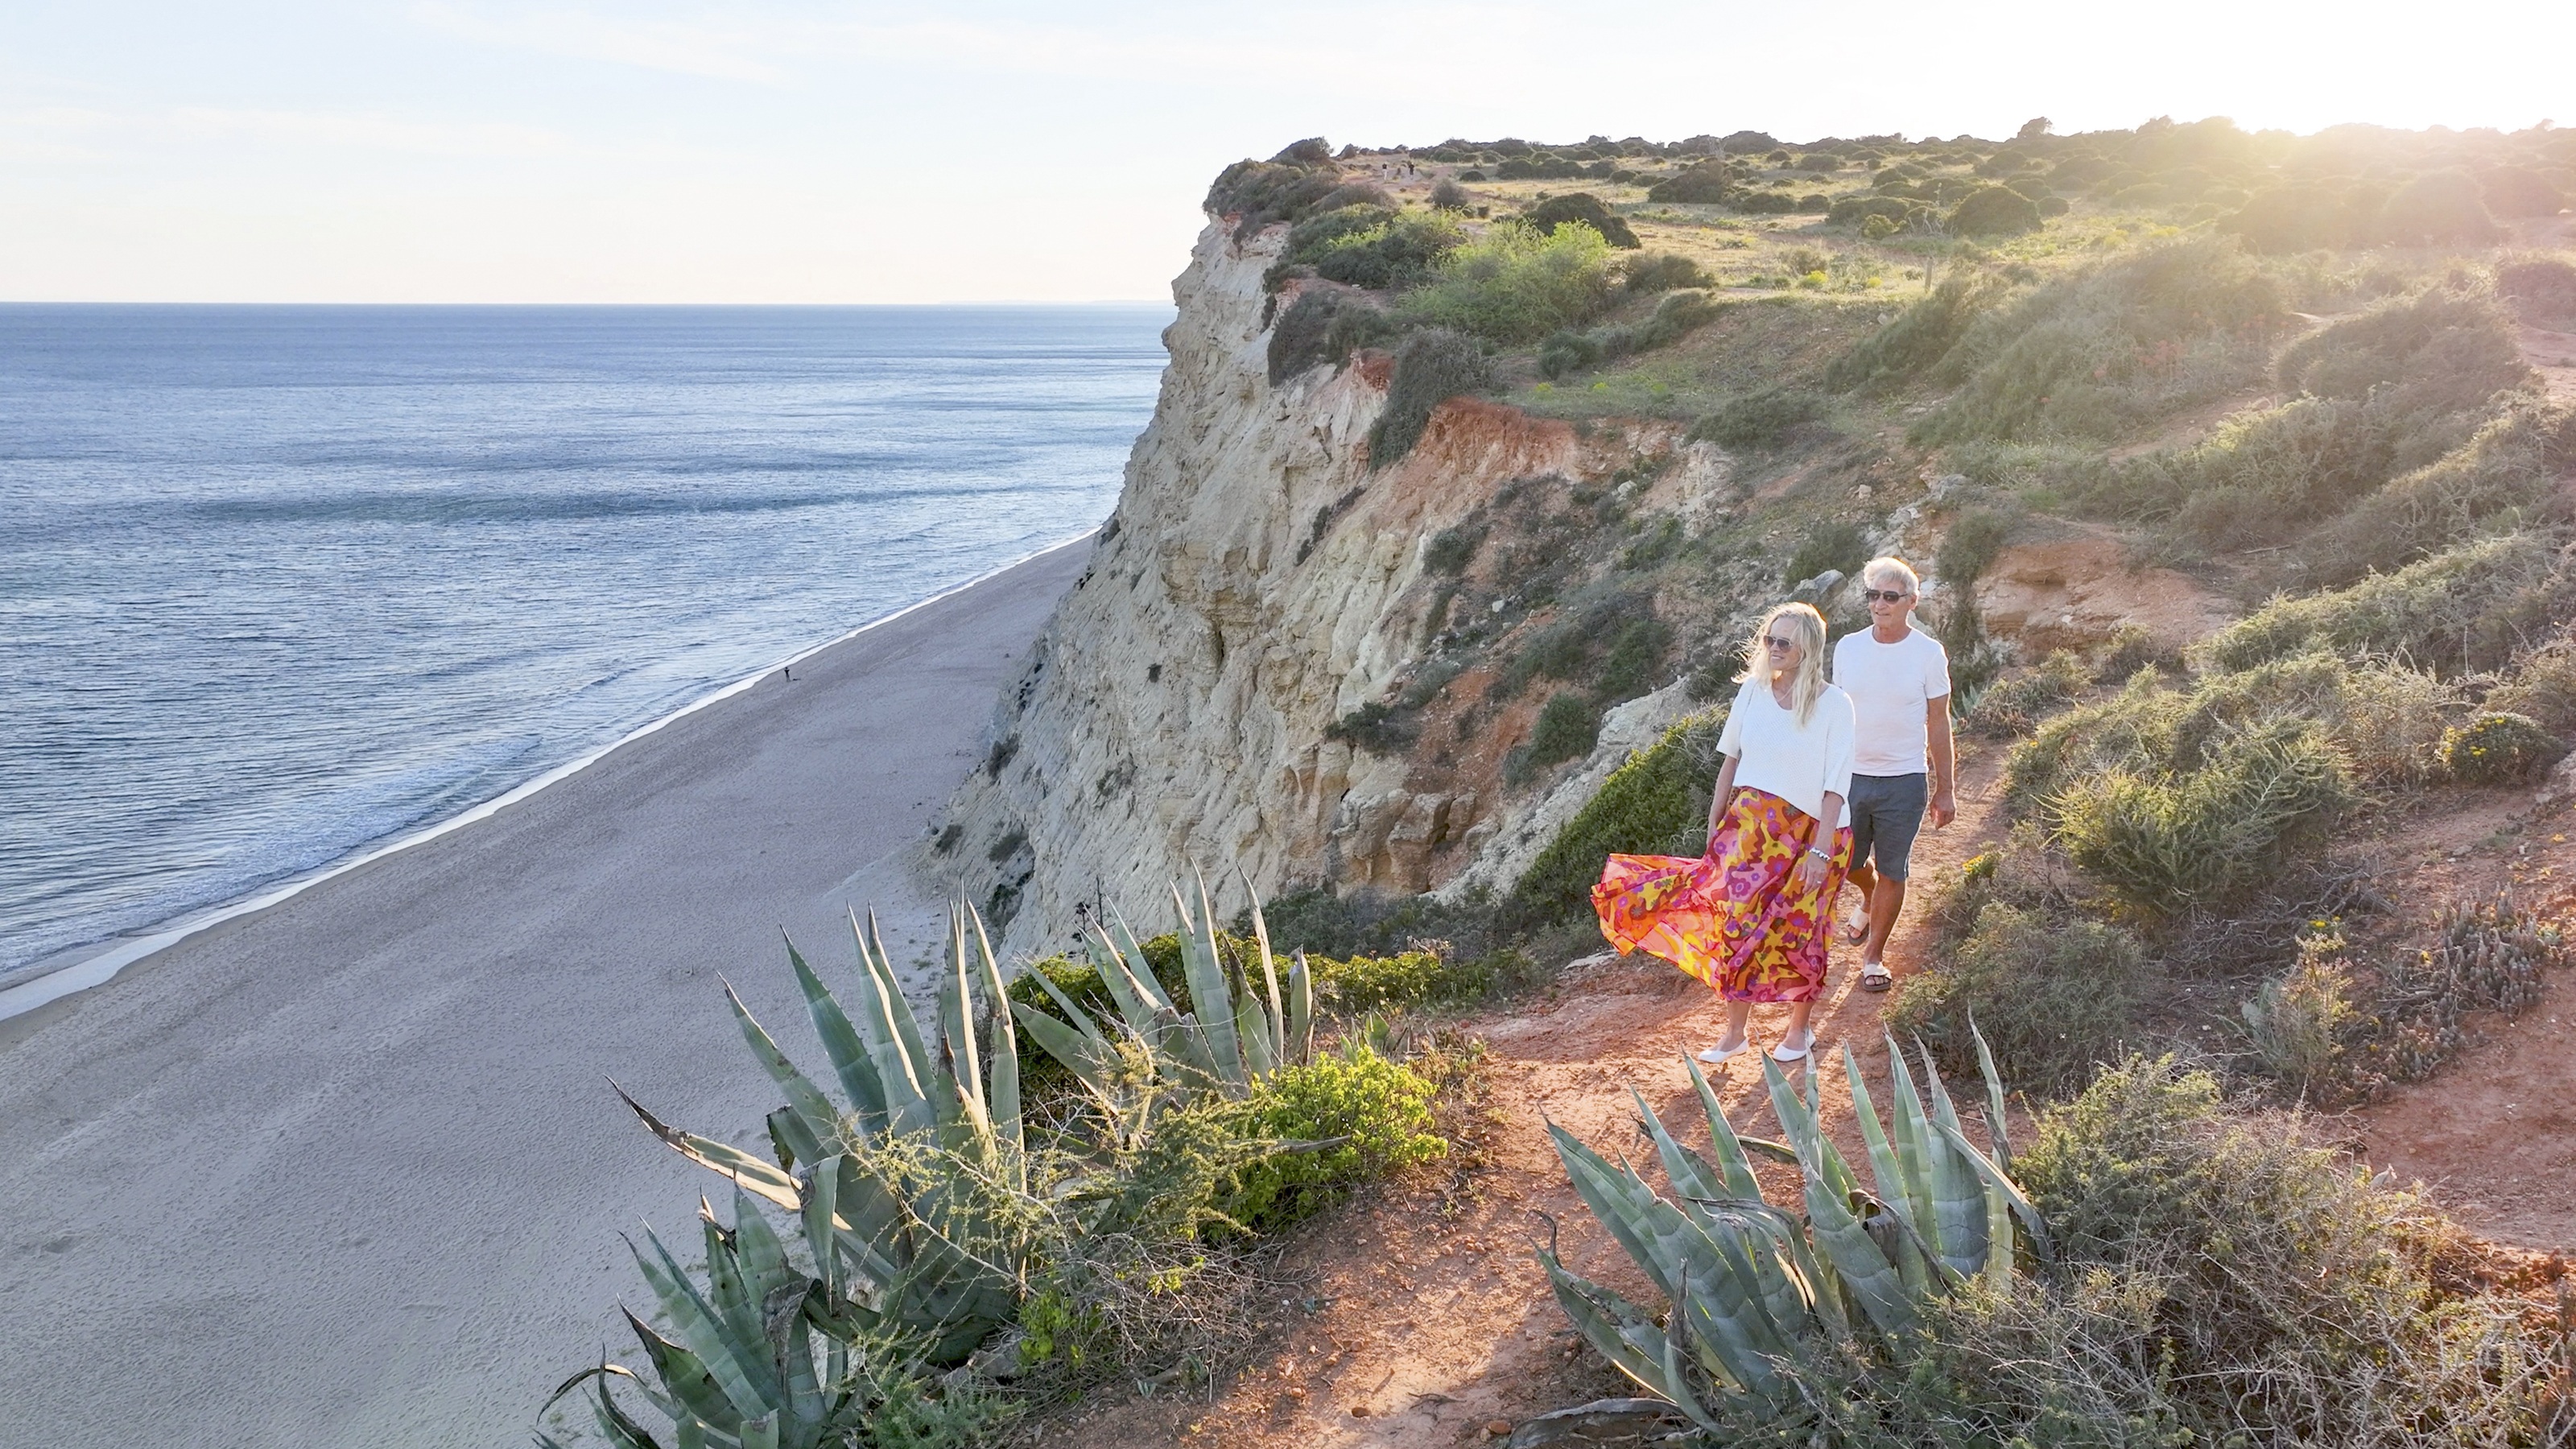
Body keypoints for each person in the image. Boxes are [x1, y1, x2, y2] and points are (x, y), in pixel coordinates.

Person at [1592, 602, 1855, 1065]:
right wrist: (1717, 824)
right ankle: (1735, 1033)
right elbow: (1730, 761)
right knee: (1737, 923)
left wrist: (1820, 850)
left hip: (1816, 832)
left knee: (1801, 929)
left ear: (1808, 647)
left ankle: (1800, 1029)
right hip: (1750, 828)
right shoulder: (1753, 692)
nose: (1773, 648)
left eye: (1784, 642)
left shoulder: (1835, 704)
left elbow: (1837, 784)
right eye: (1769, 639)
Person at [1830, 557, 1955, 992]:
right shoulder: (1847, 647)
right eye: (1873, 596)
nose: (1879, 605)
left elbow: (1939, 722)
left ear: (1911, 602)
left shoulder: (1927, 653)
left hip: (1903, 779)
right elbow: (1834, 715)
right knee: (1843, 860)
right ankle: (1866, 898)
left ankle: (1873, 957)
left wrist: (1946, 789)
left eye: (1890, 596)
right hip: (1849, 778)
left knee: (1893, 870)